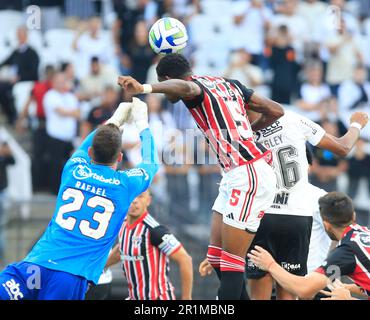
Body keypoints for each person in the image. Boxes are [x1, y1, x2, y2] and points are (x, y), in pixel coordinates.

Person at [118, 53, 284, 300]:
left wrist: (144, 87)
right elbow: (275, 110)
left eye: (164, 85)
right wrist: (246, 132)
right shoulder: (228, 83)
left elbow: (184, 86)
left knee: (231, 263)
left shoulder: (192, 88)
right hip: (233, 174)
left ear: (166, 78)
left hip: (249, 172)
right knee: (217, 258)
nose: (167, 95)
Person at [0, 97, 160, 300]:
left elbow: (86, 145)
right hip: (70, 277)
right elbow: (151, 163)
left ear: (91, 152)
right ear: (119, 157)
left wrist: (115, 119)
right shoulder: (126, 184)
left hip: (35, 265)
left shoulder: (74, 168)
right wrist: (143, 124)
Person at [200, 109, 368, 300]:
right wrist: (334, 280)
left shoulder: (242, 135)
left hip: (263, 217)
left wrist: (229, 248)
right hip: (301, 248)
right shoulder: (320, 198)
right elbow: (343, 147)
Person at [248, 192, 370, 300]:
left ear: (326, 225)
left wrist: (270, 265)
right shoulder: (365, 233)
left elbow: (304, 290)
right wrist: (352, 288)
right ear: (354, 216)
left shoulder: (346, 251)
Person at [105, 190, 193, 300]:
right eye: (131, 195)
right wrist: (100, 267)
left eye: (140, 196)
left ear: (148, 200)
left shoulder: (154, 230)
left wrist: (187, 297)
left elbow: (185, 259)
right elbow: (122, 248)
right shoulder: (122, 224)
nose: (135, 201)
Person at [15, 65, 55, 191]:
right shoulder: (40, 87)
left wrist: (21, 119)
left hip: (51, 124)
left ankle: (43, 184)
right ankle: (39, 184)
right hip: (42, 123)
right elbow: (28, 103)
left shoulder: (49, 87)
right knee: (39, 155)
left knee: (46, 155)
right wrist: (21, 120)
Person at [43, 72, 80, 194]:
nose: (61, 83)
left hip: (69, 137)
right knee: (56, 165)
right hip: (55, 136)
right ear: (53, 82)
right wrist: (71, 112)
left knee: (70, 165)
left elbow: (78, 113)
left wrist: (70, 112)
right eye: (58, 81)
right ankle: (54, 190)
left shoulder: (70, 96)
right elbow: (61, 112)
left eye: (63, 80)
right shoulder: (50, 95)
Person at [0, 26, 40, 124]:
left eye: (21, 35)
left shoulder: (32, 53)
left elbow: (33, 72)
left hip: (26, 80)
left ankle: (14, 117)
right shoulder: (16, 51)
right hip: (14, 79)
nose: (19, 37)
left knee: (4, 89)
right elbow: (6, 62)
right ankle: (10, 116)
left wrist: (19, 77)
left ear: (26, 36)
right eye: (18, 35)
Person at [0, 137, 15, 263]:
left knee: (2, 225)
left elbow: (12, 161)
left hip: (2, 193)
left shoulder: (4, 157)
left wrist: (7, 151)